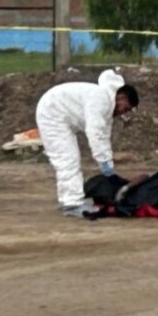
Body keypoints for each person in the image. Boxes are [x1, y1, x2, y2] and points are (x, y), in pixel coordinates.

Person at [35, 69, 139, 217]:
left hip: (62, 117)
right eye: (125, 108)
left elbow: (104, 137)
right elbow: (94, 132)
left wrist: (108, 163)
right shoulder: (100, 98)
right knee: (68, 158)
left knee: (70, 157)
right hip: (52, 114)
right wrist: (103, 161)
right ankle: (71, 204)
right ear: (120, 97)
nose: (123, 113)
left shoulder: (107, 108)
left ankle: (71, 200)